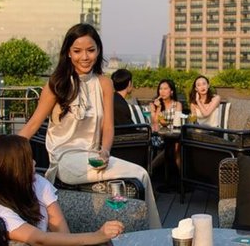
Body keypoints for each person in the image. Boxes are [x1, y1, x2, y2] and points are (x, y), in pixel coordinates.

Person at [18, 23, 161, 228]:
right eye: (77, 51)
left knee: (142, 175)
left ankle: (146, 234)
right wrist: (3, 152)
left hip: (94, 158)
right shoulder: (56, 85)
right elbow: (33, 124)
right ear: (68, 53)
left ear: (98, 51)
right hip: (65, 160)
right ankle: (152, 235)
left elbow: (109, 127)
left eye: (90, 50)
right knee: (138, 175)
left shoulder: (104, 83)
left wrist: (105, 150)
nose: (84, 57)